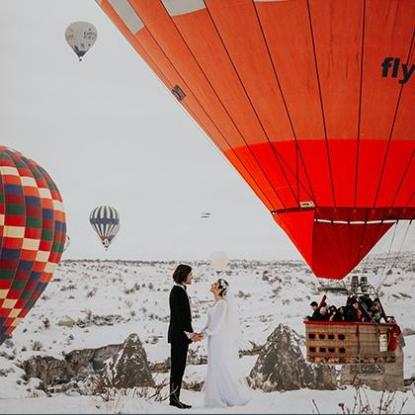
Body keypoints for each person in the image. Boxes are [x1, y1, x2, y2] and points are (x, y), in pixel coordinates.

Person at [199, 279, 250, 408]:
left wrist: (205, 333)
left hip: (218, 339)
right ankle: (217, 395)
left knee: (219, 365)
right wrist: (200, 333)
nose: (212, 285)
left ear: (221, 289)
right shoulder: (216, 303)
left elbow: (217, 326)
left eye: (215, 285)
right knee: (214, 365)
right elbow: (210, 323)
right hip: (212, 339)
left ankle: (227, 396)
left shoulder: (222, 304)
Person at [168, 264, 203, 409]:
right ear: (183, 275)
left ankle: (174, 399)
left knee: (178, 368)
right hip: (179, 336)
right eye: (190, 274)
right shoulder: (178, 292)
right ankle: (174, 400)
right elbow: (180, 319)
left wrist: (192, 334)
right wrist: (190, 336)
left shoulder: (180, 290)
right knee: (177, 369)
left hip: (179, 335)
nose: (192, 277)